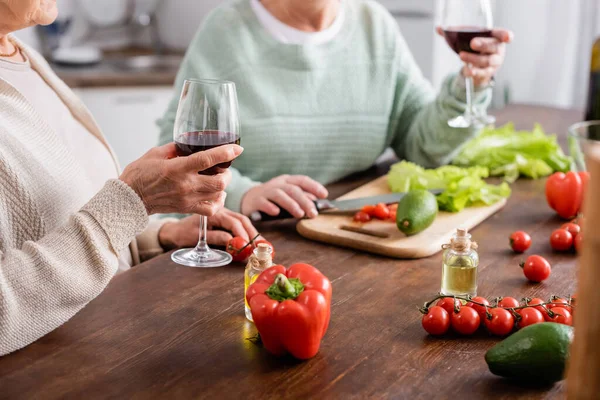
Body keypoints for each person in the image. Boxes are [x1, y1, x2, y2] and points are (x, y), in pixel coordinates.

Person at [0, 0, 258, 356]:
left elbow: (67, 215)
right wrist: (132, 201)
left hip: (108, 344)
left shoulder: (20, 56)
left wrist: (155, 236)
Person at [158, 0, 513, 220]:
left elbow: (422, 146)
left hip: (350, 232)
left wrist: (473, 82)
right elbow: (176, 159)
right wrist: (244, 194)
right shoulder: (224, 32)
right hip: (250, 240)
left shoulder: (376, 25)